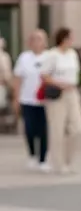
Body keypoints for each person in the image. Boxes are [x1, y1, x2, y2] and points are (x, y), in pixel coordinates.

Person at [42, 28, 81, 175]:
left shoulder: (72, 54)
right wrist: (59, 83)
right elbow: (44, 75)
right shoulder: (52, 55)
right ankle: (58, 163)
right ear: (63, 39)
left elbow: (77, 73)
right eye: (70, 38)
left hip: (72, 92)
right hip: (57, 94)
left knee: (77, 127)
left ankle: (68, 159)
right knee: (57, 129)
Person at [12, 29, 50, 170]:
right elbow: (17, 79)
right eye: (34, 39)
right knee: (29, 129)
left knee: (43, 130)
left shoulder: (49, 57)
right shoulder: (24, 58)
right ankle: (32, 154)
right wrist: (16, 98)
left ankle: (43, 159)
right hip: (27, 99)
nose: (37, 42)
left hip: (44, 101)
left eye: (40, 39)